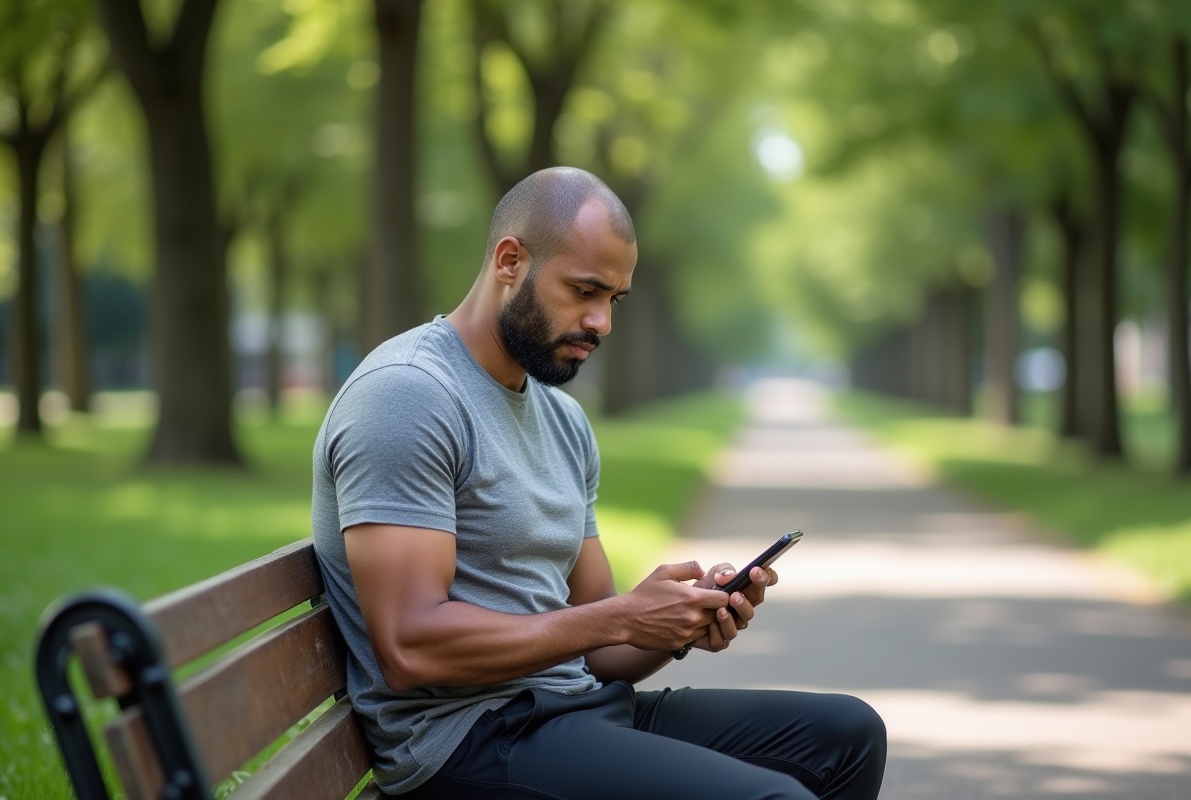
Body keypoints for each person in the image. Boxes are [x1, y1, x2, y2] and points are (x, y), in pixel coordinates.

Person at [311, 167, 886, 799]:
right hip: (469, 741)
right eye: (584, 290)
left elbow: (602, 649)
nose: (602, 321)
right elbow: (410, 647)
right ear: (509, 261)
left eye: (614, 299)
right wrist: (620, 617)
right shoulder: (409, 395)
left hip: (574, 706)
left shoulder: (562, 419)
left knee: (849, 733)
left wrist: (677, 622)